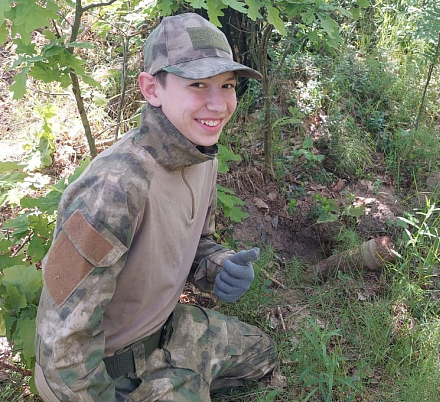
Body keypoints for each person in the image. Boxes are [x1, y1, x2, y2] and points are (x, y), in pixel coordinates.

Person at [34, 13, 278, 401]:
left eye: (227, 85)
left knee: (263, 352)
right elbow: (61, 339)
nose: (218, 104)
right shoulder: (115, 186)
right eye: (198, 84)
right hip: (108, 372)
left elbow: (197, 243)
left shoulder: (201, 154)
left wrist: (219, 267)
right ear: (152, 89)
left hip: (166, 330)